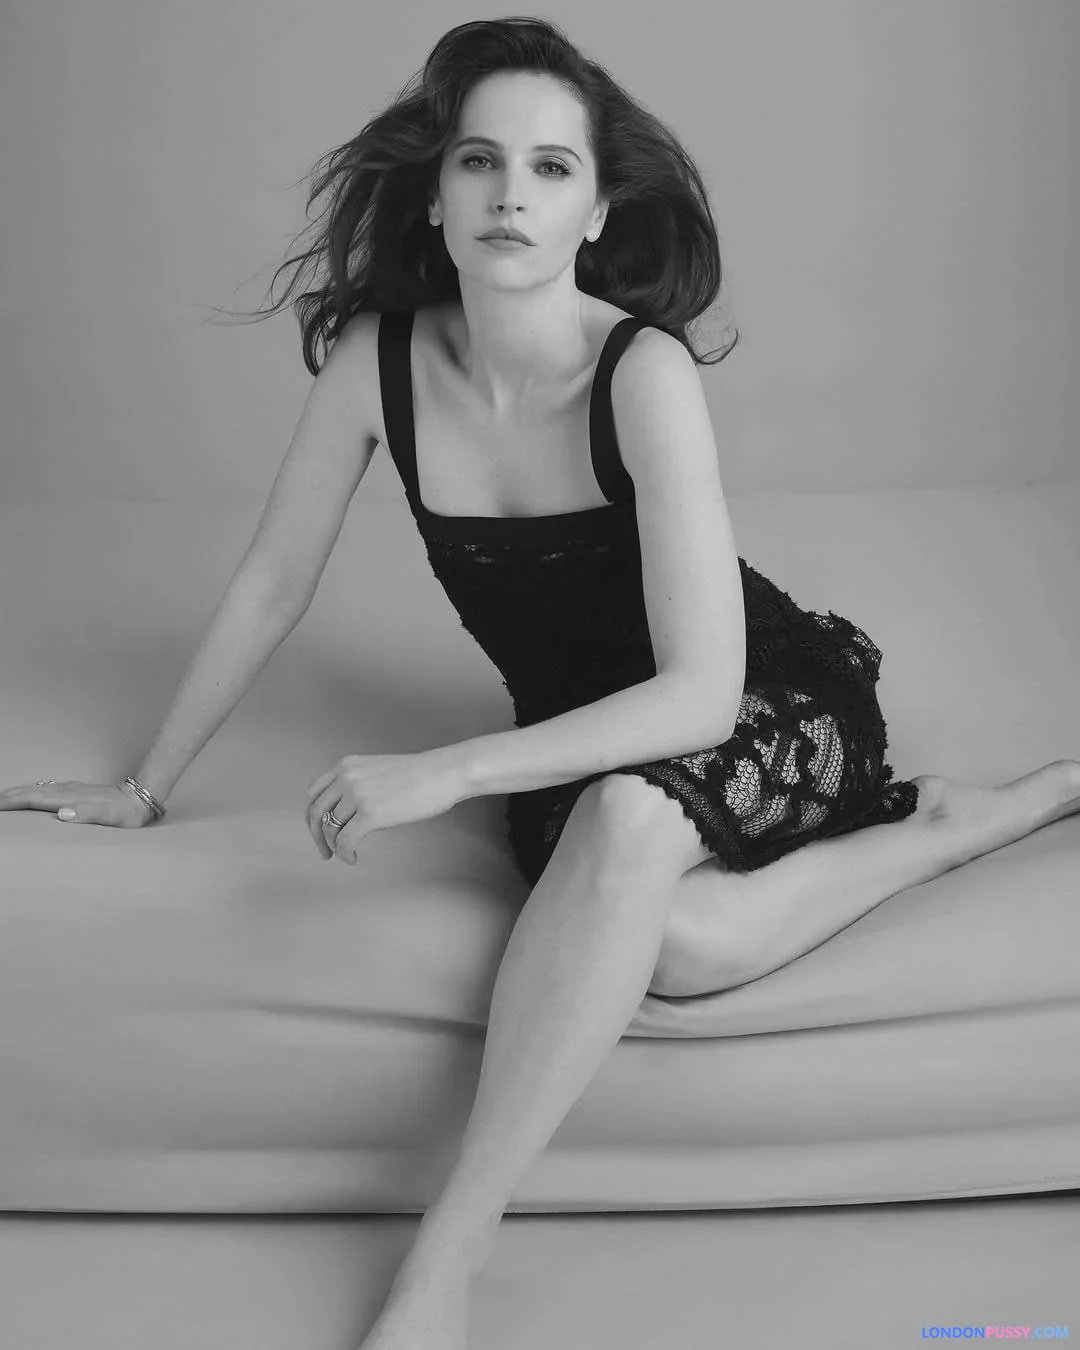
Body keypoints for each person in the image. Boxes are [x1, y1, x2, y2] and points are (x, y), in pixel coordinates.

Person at [4, 17, 1078, 1349]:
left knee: (634, 817)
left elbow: (698, 698)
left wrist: (447, 770)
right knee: (680, 947)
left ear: (595, 210)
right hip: (578, 739)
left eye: (552, 168)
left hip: (760, 701)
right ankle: (945, 828)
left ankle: (447, 1255)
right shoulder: (378, 364)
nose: (511, 194)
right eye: (480, 161)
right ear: (436, 195)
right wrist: (144, 784)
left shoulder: (643, 372)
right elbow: (271, 586)